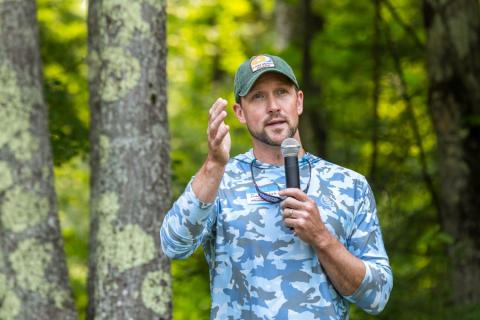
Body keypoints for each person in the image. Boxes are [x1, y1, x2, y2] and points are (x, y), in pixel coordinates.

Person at [160, 54, 393, 319]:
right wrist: (213, 165)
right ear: (240, 113)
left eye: (282, 93)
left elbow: (377, 296)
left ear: (299, 101)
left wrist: (322, 238)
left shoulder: (349, 185)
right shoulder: (219, 180)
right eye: (258, 97)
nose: (273, 106)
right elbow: (173, 245)